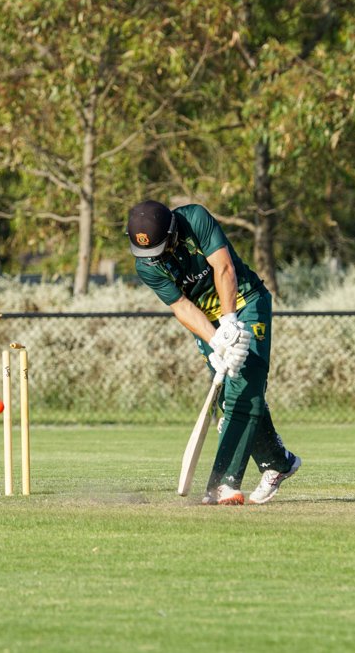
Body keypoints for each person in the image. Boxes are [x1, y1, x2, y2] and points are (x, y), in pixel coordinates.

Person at [126, 199, 301, 505]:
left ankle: (224, 483)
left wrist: (231, 321)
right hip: (209, 323)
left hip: (245, 302)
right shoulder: (146, 264)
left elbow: (224, 266)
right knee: (226, 396)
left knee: (245, 389)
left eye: (160, 247)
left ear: (172, 232)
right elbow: (180, 305)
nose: (155, 257)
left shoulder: (194, 219)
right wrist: (217, 339)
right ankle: (278, 462)